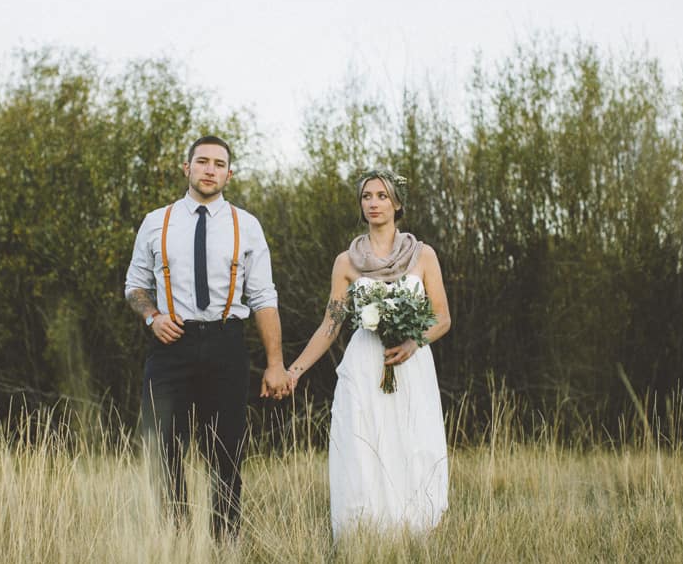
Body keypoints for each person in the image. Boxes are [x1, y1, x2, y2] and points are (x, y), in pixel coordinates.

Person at [125, 135, 292, 539]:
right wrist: (152, 317)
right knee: (162, 445)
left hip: (226, 343)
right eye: (202, 161)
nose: (210, 169)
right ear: (187, 168)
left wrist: (275, 364)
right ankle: (177, 539)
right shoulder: (156, 221)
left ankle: (224, 543)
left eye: (219, 164)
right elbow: (134, 286)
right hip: (170, 344)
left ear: (229, 174)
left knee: (226, 450)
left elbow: (263, 298)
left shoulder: (246, 226)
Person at [287, 168, 451, 537]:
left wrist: (413, 341)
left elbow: (442, 318)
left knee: (412, 444)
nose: (373, 203)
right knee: (364, 447)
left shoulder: (423, 255)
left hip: (410, 365)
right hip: (364, 365)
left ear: (396, 203)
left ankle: (413, 535)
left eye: (381, 196)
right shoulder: (346, 262)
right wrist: (294, 370)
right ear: (360, 205)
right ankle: (365, 537)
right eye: (366, 196)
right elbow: (330, 326)